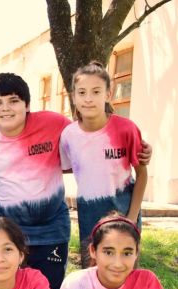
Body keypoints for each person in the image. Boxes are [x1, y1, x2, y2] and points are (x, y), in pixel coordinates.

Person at [0, 72, 152, 289]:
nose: (5, 108)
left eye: (13, 101)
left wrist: (137, 148)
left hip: (50, 230)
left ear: (28, 105)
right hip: (5, 231)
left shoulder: (54, 124)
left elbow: (86, 139)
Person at [59, 62, 147, 267]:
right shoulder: (69, 135)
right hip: (90, 219)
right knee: (92, 277)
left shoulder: (126, 129)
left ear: (108, 94)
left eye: (96, 91)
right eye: (82, 92)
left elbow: (142, 174)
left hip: (125, 216)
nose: (88, 98)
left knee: (124, 275)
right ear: (73, 96)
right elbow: (69, 166)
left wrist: (132, 218)